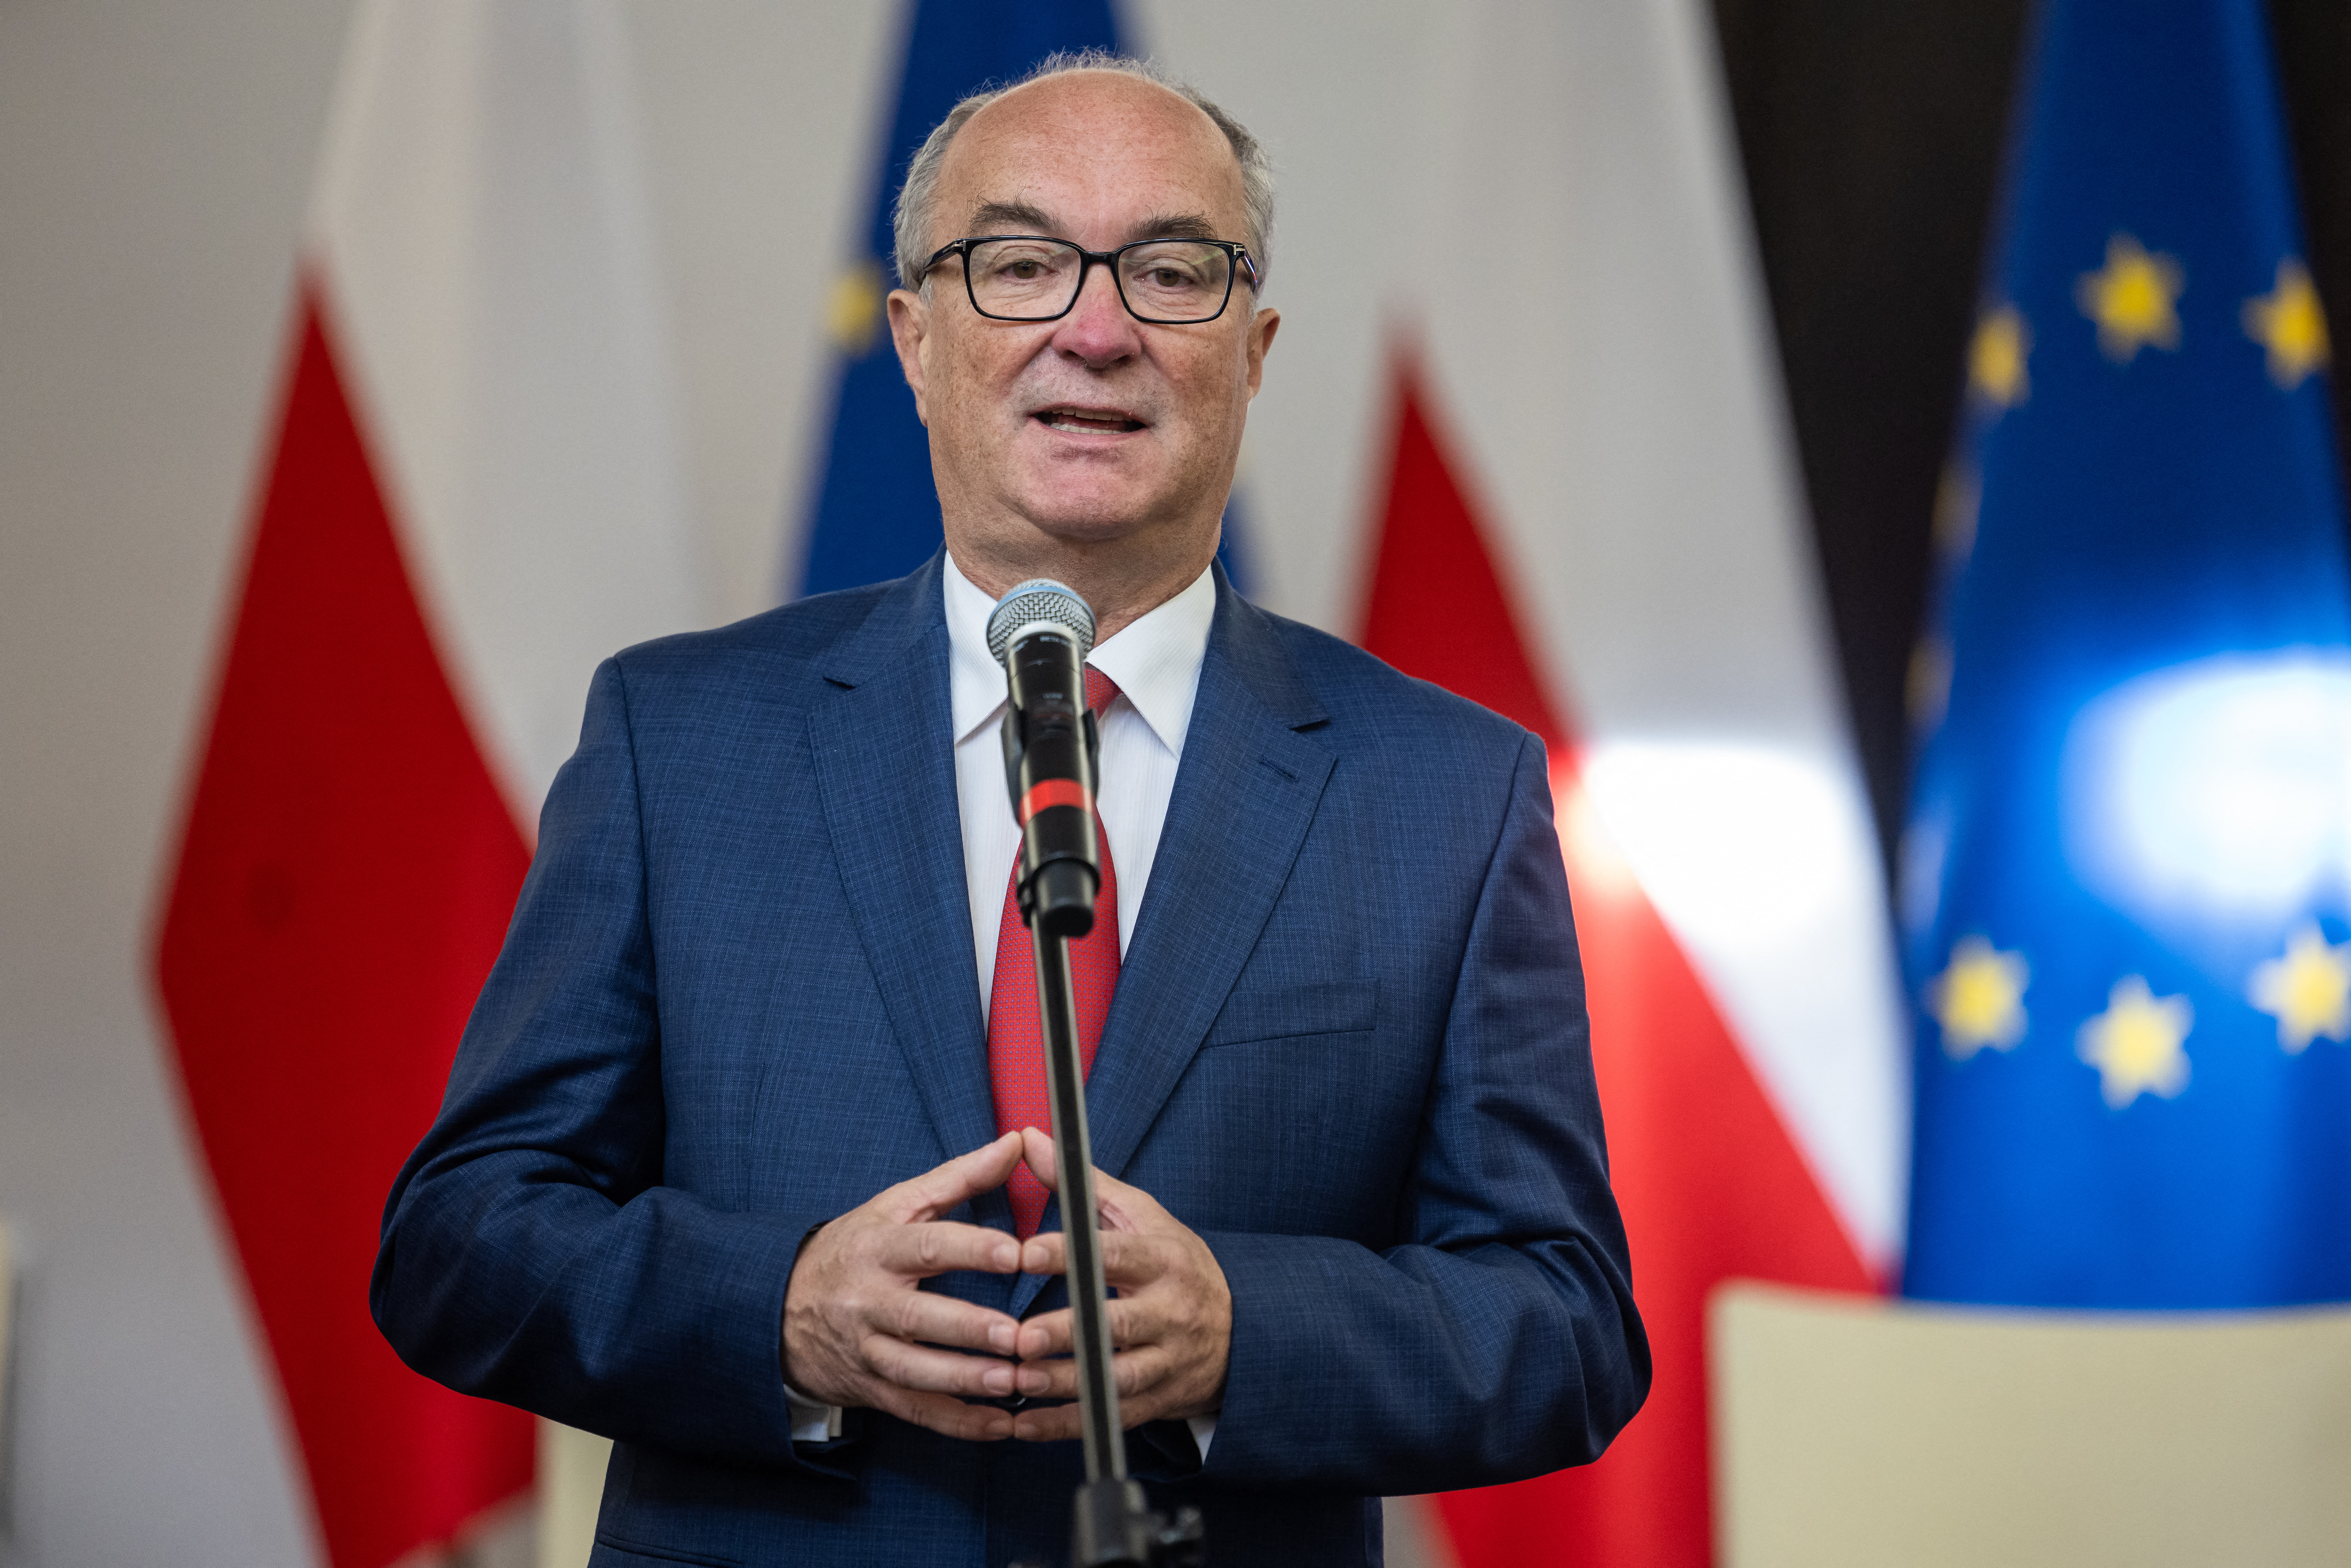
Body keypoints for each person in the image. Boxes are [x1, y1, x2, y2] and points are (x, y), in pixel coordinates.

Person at [373, 51, 1647, 1568]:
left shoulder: (1445, 789)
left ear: (1252, 350)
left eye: (1172, 271)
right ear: (913, 340)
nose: (1095, 330)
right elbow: (460, 1241)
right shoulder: (679, 740)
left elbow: (1564, 1322)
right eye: (1021, 264)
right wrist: (781, 1312)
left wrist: (1249, 1332)